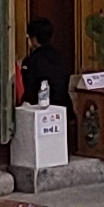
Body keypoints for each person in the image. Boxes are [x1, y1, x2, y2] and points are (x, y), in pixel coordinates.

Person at [18, 16, 67, 149]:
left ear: (33, 39)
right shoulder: (60, 57)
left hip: (39, 111)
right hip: (63, 108)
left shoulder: (31, 61)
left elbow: (28, 89)